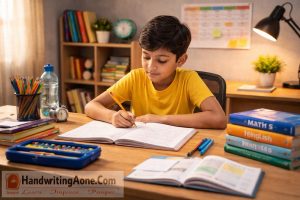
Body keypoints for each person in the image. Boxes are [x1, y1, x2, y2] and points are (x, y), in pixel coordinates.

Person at [85, 15, 227, 129]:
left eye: (162, 60)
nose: (150, 66)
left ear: (181, 60)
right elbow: (91, 106)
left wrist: (161, 119)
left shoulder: (189, 79)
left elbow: (219, 118)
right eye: (146, 57)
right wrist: (112, 116)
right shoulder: (136, 77)